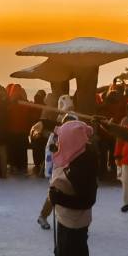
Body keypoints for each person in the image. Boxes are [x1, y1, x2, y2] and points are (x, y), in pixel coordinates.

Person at [48, 119, 99, 256]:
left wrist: (59, 198)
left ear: (72, 141)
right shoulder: (72, 155)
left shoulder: (83, 164)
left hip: (76, 221)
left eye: (62, 139)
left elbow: (87, 200)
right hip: (64, 217)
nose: (59, 142)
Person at [37, 95, 76, 230]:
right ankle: (43, 215)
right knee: (55, 192)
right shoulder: (57, 133)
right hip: (59, 168)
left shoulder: (77, 131)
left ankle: (71, 220)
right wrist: (50, 170)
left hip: (73, 168)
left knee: (74, 193)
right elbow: (50, 151)